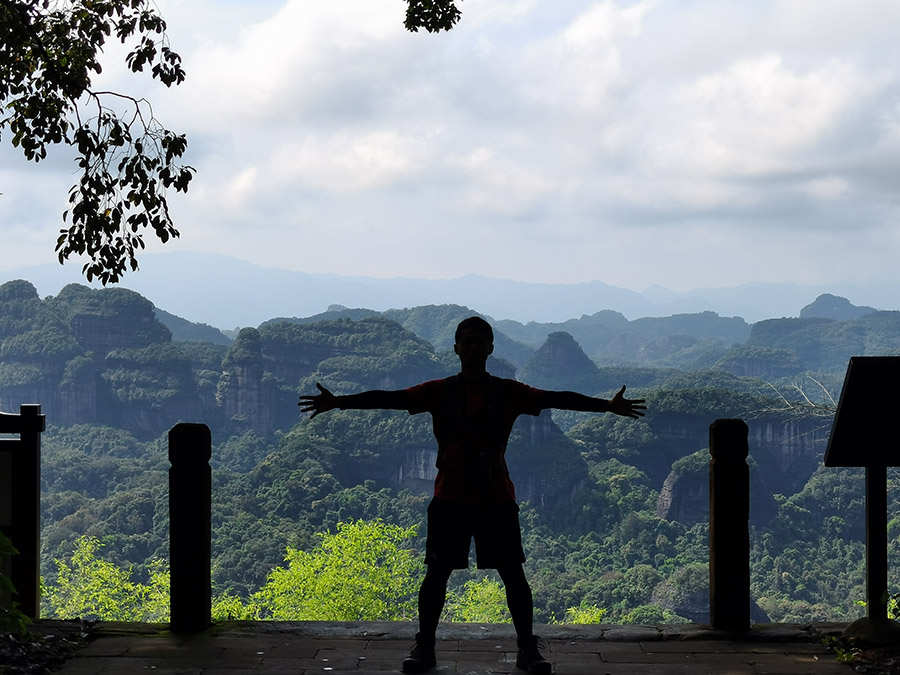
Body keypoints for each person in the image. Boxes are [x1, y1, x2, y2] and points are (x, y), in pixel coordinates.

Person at [299, 316, 646, 674]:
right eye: (468, 341)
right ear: (456, 348)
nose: (474, 346)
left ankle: (527, 649)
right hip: (451, 497)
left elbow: (556, 397)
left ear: (490, 348)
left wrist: (606, 406)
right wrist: (338, 401)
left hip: (495, 498)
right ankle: (426, 647)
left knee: (512, 575)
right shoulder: (440, 390)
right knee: (437, 575)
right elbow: (391, 399)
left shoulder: (508, 392)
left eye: (480, 341)